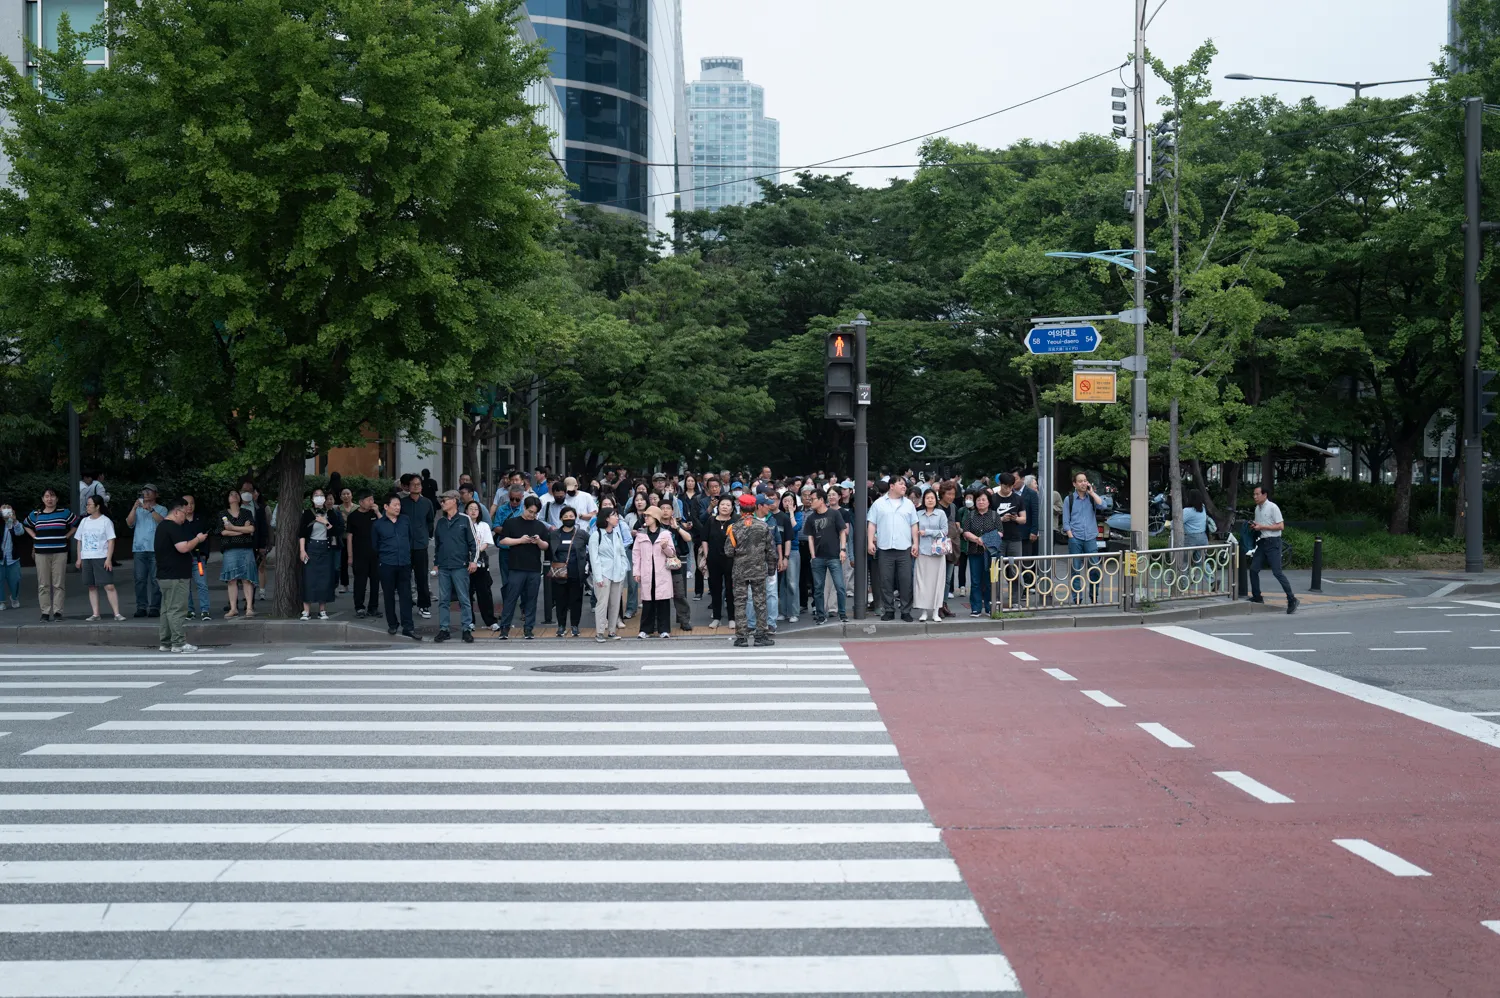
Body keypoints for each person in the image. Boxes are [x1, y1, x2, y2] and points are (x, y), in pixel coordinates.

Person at [153, 500, 208, 654]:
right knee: (177, 609)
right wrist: (198, 539)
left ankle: (166, 641)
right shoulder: (172, 527)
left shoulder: (161, 527)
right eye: (184, 513)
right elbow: (183, 547)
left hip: (165, 575)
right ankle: (178, 642)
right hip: (175, 576)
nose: (185, 517)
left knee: (166, 610)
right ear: (176, 512)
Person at [726, 493, 777, 647]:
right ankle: (761, 636)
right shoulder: (763, 526)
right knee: (760, 602)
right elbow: (771, 551)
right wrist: (771, 569)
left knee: (740, 602)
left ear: (740, 509)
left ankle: (741, 637)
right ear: (755, 508)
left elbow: (728, 551)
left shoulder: (733, 527)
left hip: (740, 571)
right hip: (758, 570)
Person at [497, 494, 549, 639]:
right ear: (524, 508)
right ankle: (505, 628)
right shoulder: (511, 523)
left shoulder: (539, 525)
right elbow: (503, 541)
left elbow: (545, 546)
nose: (532, 515)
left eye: (535, 513)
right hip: (516, 567)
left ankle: (528, 628)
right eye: (530, 511)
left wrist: (538, 541)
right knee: (510, 598)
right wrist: (520, 540)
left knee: (531, 600)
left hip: (533, 568)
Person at [867, 477, 918, 622]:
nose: (904, 486)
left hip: (904, 548)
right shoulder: (879, 504)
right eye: (901, 484)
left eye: (905, 484)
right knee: (886, 581)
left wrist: (916, 543)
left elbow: (914, 525)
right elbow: (872, 524)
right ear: (891, 486)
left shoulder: (909, 504)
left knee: (905, 581)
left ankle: (906, 611)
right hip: (885, 548)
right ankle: (888, 610)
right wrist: (870, 542)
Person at [23, 488, 78, 622]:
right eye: (47, 496)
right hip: (41, 552)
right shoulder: (36, 514)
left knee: (58, 583)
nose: (49, 499)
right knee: (43, 584)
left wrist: (67, 536)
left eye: (52, 496)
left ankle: (58, 612)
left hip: (60, 552)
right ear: (43, 499)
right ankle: (45, 612)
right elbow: (25, 525)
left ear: (57, 499)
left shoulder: (64, 513)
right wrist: (35, 537)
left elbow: (76, 524)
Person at [432, 490, 478, 643]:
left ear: (454, 501)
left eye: (445, 500)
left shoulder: (465, 520)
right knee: (443, 600)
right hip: (444, 566)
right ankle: (444, 629)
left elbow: (474, 543)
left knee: (464, 599)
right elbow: (438, 545)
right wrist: (436, 563)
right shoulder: (440, 522)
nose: (442, 503)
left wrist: (473, 561)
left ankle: (467, 628)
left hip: (460, 565)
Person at [371, 494, 419, 640]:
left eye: (399, 505)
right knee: (388, 595)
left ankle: (408, 626)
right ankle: (392, 624)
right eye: (395, 505)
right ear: (386, 507)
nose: (398, 507)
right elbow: (375, 546)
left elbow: (410, 539)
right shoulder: (378, 525)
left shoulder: (405, 520)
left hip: (404, 563)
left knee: (406, 596)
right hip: (387, 564)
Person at [1249, 484, 1298, 614]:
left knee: (1277, 572)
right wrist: (1255, 527)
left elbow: (1281, 526)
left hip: (1273, 542)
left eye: (1257, 494)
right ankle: (1257, 596)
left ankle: (1292, 599)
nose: (1255, 497)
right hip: (1262, 542)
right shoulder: (1257, 509)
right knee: (1253, 569)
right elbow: (1260, 525)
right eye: (1254, 494)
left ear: (1265, 495)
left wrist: (1262, 527)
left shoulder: (1272, 507)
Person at [75, 495, 124, 621]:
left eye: (90, 504)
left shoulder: (105, 521)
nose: (87, 506)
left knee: (109, 585)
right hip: (87, 557)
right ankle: (96, 614)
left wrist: (108, 559)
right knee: (91, 586)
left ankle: (117, 613)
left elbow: (111, 541)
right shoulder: (84, 521)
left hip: (101, 556)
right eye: (87, 504)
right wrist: (79, 558)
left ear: (97, 506)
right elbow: (79, 540)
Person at [803, 489, 848, 624]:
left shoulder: (834, 514)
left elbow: (842, 532)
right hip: (818, 557)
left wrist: (843, 549)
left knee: (840, 586)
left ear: (821, 500)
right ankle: (821, 615)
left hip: (834, 555)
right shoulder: (811, 518)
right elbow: (810, 538)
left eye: (813, 499)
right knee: (818, 588)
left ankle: (842, 613)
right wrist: (813, 555)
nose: (810, 502)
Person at [298, 488, 343, 620]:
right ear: (312, 499)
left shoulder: (331, 513)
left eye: (321, 495)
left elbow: (337, 531)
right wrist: (302, 550)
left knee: (325, 579)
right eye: (316, 495)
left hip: (326, 548)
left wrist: (326, 523)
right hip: (311, 547)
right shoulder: (307, 513)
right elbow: (302, 533)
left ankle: (322, 610)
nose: (319, 498)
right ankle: (306, 610)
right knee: (309, 579)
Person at [632, 505, 675, 639]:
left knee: (663, 602)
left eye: (648, 516)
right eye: (645, 516)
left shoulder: (665, 534)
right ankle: (645, 629)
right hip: (646, 571)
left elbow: (672, 553)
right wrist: (636, 572)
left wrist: (664, 546)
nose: (646, 518)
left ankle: (664, 629)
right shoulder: (641, 534)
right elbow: (636, 554)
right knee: (647, 602)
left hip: (661, 572)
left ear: (655, 518)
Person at [125, 484, 167, 617]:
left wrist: (150, 510)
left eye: (149, 491)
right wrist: (134, 507)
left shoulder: (162, 509)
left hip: (156, 549)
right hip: (139, 548)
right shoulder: (137, 509)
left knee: (156, 579)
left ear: (156, 494)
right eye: (144, 491)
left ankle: (155, 607)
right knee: (139, 579)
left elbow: (164, 523)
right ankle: (141, 607)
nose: (146, 493)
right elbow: (129, 523)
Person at [588, 506, 630, 641]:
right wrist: (598, 577)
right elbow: (594, 558)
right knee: (602, 603)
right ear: (607, 518)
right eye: (614, 515)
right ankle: (600, 632)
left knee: (615, 603)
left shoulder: (617, 534)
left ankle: (612, 631)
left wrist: (623, 569)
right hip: (603, 573)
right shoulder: (596, 535)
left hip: (617, 573)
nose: (617, 518)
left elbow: (622, 553)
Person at [1063, 472, 1105, 603]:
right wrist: (1070, 535)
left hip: (1091, 537)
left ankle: (1094, 595)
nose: (1083, 483)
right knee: (1076, 569)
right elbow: (1065, 521)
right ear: (1074, 484)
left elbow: (1103, 505)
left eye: (1085, 481)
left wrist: (1092, 493)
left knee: (1095, 568)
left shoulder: (1091, 498)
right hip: (1075, 537)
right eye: (1080, 481)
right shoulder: (1069, 499)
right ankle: (1077, 598)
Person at [218, 488, 259, 618]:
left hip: (246, 548)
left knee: (247, 579)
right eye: (231, 494)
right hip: (230, 548)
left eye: (236, 494)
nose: (234, 496)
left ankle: (249, 607)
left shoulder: (246, 512)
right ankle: (233, 608)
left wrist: (233, 528)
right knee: (232, 579)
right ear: (227, 498)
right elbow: (223, 532)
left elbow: (251, 528)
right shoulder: (222, 514)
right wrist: (243, 530)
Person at [744, 493, 781, 634]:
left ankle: (771, 623)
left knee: (771, 593)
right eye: (767, 504)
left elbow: (778, 540)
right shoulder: (748, 521)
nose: (770, 506)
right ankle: (751, 624)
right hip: (752, 563)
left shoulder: (772, 519)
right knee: (750, 594)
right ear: (759, 506)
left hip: (770, 562)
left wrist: (781, 558)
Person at [399, 474, 436, 618]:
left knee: (422, 577)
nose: (416, 486)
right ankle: (407, 604)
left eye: (418, 484)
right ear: (407, 486)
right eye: (413, 484)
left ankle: (424, 605)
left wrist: (426, 535)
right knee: (405, 577)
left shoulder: (427, 503)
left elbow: (430, 521)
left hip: (421, 545)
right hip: (405, 545)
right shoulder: (402, 503)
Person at [961, 491, 1001, 617]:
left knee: (990, 580)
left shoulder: (995, 515)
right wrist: (977, 540)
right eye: (978, 500)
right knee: (975, 580)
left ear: (988, 501)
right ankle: (976, 608)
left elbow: (1000, 533)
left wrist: (985, 540)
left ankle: (990, 607)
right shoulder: (971, 515)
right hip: (975, 552)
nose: (981, 502)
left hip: (991, 553)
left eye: (983, 500)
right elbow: (965, 532)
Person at [548, 505, 586, 637]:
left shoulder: (581, 534)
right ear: (560, 518)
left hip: (576, 571)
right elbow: (549, 551)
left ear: (575, 518)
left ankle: (575, 625)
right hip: (559, 572)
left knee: (576, 600)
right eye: (566, 517)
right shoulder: (554, 534)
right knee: (560, 600)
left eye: (571, 516)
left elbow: (591, 548)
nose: (569, 519)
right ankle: (561, 625)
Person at [913, 488, 950, 622]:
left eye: (932, 498)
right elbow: (914, 532)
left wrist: (928, 532)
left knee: (937, 583)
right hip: (922, 552)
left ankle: (935, 612)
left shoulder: (941, 514)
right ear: (924, 500)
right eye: (927, 498)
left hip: (937, 553)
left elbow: (945, 532)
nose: (930, 500)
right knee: (922, 583)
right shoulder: (918, 514)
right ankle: (923, 611)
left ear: (936, 500)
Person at [992, 473, 1027, 607]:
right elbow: (989, 520)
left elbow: (1024, 519)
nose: (1008, 489)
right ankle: (996, 600)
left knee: (1015, 570)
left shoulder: (1018, 499)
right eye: (1005, 486)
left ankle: (1016, 600)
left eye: (1010, 487)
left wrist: (1015, 518)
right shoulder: (993, 499)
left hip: (1014, 538)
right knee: (996, 570)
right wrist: (1001, 519)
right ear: (1000, 484)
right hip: (998, 538)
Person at [464, 499, 498, 632]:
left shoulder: (483, 525)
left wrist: (476, 551)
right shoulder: (461, 524)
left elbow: (487, 542)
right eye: (470, 508)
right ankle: (469, 621)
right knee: (466, 593)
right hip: (465, 562)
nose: (473, 511)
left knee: (484, 593)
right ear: (465, 511)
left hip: (480, 563)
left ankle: (490, 621)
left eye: (476, 509)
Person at [661, 504, 694, 632]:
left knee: (679, 594)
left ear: (672, 511)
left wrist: (677, 527)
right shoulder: (655, 526)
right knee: (661, 596)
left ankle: (684, 620)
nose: (665, 510)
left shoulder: (675, 525)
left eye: (667, 508)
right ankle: (661, 622)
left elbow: (688, 538)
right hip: (660, 565)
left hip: (675, 564)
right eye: (662, 508)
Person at [181, 494, 213, 621]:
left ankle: (205, 610)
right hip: (183, 558)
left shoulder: (201, 519)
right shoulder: (179, 521)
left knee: (202, 583)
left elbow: (206, 539)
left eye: (192, 503)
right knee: (185, 585)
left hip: (198, 557)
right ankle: (189, 610)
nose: (190, 506)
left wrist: (205, 554)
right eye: (187, 503)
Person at [776, 491, 803, 623]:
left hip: (793, 550)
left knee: (792, 582)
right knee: (782, 583)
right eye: (785, 500)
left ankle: (794, 612)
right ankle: (783, 611)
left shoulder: (798, 514)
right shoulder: (778, 515)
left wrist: (791, 513)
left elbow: (796, 528)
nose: (787, 503)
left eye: (790, 501)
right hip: (779, 551)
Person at [1, 503, 23, 610]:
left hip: (13, 557)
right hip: (0, 558)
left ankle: (14, 598)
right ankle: (1, 601)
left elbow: (20, 532)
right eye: (4, 509)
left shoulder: (14, 523)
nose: (6, 511)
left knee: (15, 580)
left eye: (8, 509)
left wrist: (14, 520)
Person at [336, 487, 356, 594]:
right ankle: (344, 585)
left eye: (348, 493)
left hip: (355, 538)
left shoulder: (357, 508)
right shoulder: (338, 509)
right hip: (343, 538)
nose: (346, 496)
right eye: (344, 494)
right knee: (342, 563)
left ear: (352, 495)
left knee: (357, 562)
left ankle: (358, 582)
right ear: (341, 497)